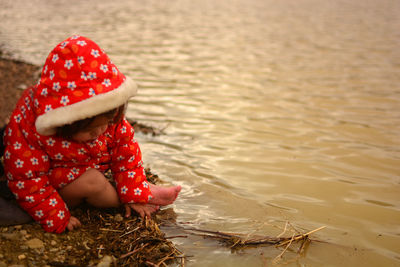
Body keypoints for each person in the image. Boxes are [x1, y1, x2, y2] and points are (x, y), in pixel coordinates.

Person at [2, 35, 181, 233]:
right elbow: (28, 179)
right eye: (90, 130)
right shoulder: (33, 126)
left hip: (85, 163)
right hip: (56, 183)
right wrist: (55, 215)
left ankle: (140, 191)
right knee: (93, 182)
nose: (100, 132)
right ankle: (125, 199)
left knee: (114, 170)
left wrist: (134, 192)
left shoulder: (104, 110)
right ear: (65, 123)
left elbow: (126, 152)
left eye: (106, 124)